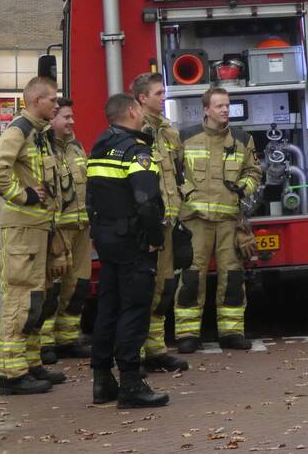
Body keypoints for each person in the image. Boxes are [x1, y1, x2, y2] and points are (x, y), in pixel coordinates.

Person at [0, 76, 68, 395]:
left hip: (39, 229)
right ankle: (11, 374)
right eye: (52, 99)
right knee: (22, 298)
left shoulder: (39, 134)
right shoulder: (19, 129)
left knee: (37, 299)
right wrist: (24, 195)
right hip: (24, 230)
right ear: (35, 101)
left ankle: (31, 363)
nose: (56, 104)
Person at [86, 94, 169, 408]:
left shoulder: (99, 147)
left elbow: (91, 197)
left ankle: (102, 380)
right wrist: (155, 237)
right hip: (134, 241)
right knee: (134, 308)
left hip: (106, 238)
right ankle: (131, 384)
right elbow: (146, 201)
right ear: (133, 111)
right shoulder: (137, 151)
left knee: (108, 307)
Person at [174, 87, 262, 354]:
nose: (225, 110)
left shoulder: (242, 139)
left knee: (232, 277)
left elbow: (254, 172)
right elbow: (172, 172)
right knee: (191, 277)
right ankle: (188, 334)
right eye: (219, 106)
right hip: (195, 220)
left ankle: (232, 332)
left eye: (227, 105)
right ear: (206, 110)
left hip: (228, 221)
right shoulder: (185, 138)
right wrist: (186, 193)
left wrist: (242, 189)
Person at [131, 73, 189, 374]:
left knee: (164, 287)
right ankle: (136, 353)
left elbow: (178, 172)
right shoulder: (133, 132)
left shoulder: (168, 132)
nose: (163, 97)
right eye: (158, 93)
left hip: (167, 221)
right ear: (142, 98)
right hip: (145, 225)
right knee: (143, 289)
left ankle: (156, 350)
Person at [39, 98, 92, 364]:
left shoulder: (76, 147)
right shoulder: (42, 150)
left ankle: (68, 338)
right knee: (52, 288)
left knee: (78, 285)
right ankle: (45, 342)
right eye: (67, 117)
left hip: (81, 228)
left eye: (72, 117)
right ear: (52, 119)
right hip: (57, 231)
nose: (72, 121)